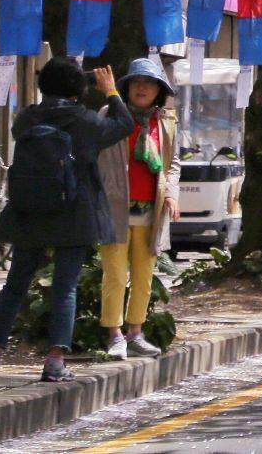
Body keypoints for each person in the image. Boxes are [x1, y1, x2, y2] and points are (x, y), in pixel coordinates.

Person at [0, 58, 132, 382]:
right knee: (64, 288)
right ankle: (54, 361)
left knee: (15, 283)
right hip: (73, 214)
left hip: (29, 211)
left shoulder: (27, 118)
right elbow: (124, 124)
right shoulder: (86, 121)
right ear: (78, 88)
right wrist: (111, 91)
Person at [96, 59, 179, 361]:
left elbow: (172, 165)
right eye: (136, 82)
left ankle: (135, 332)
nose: (142, 88)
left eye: (149, 83)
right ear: (127, 87)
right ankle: (114, 334)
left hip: (151, 212)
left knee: (144, 277)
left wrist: (171, 194)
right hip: (114, 209)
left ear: (158, 90)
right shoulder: (109, 115)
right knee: (115, 275)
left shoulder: (166, 122)